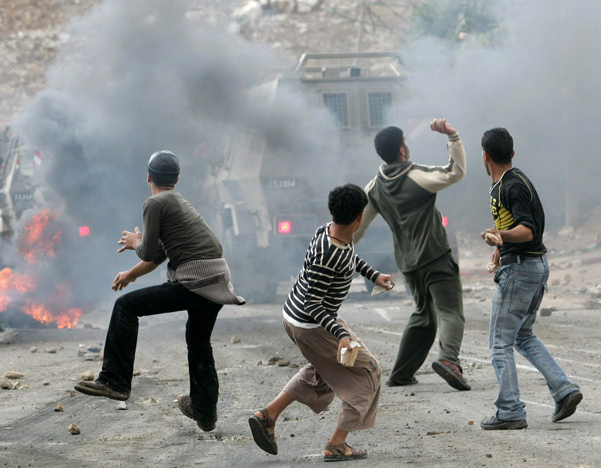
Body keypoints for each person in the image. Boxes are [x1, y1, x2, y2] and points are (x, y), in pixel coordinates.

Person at [75, 150, 245, 432]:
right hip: (216, 277)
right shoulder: (177, 201)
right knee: (199, 342)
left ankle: (114, 381)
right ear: (176, 178)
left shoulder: (155, 202)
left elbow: (149, 250)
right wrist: (130, 274)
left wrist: (135, 241)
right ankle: (204, 412)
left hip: (196, 280)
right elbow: (160, 256)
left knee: (126, 307)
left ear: (148, 177)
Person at [248, 184, 394, 462]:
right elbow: (313, 303)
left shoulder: (329, 230)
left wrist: (373, 274)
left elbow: (349, 257)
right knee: (368, 371)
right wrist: (341, 334)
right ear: (360, 217)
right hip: (311, 325)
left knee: (324, 370)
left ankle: (268, 415)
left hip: (297, 317)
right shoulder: (330, 254)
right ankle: (337, 444)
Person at [353, 118, 470, 391]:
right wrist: (453, 138)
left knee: (424, 314)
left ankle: (402, 374)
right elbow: (455, 172)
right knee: (450, 311)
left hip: (408, 263)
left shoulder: (374, 188)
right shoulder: (415, 175)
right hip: (435, 255)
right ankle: (450, 361)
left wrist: (337, 245)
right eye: (406, 141)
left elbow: (358, 226)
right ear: (402, 151)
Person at [478, 127, 582, 430]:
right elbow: (515, 232)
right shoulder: (500, 185)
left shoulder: (513, 186)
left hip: (523, 270)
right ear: (511, 152)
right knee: (522, 335)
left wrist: (500, 235)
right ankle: (564, 391)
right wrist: (500, 249)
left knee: (499, 343)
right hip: (529, 266)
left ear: (484, 155)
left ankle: (509, 410)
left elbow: (528, 230)